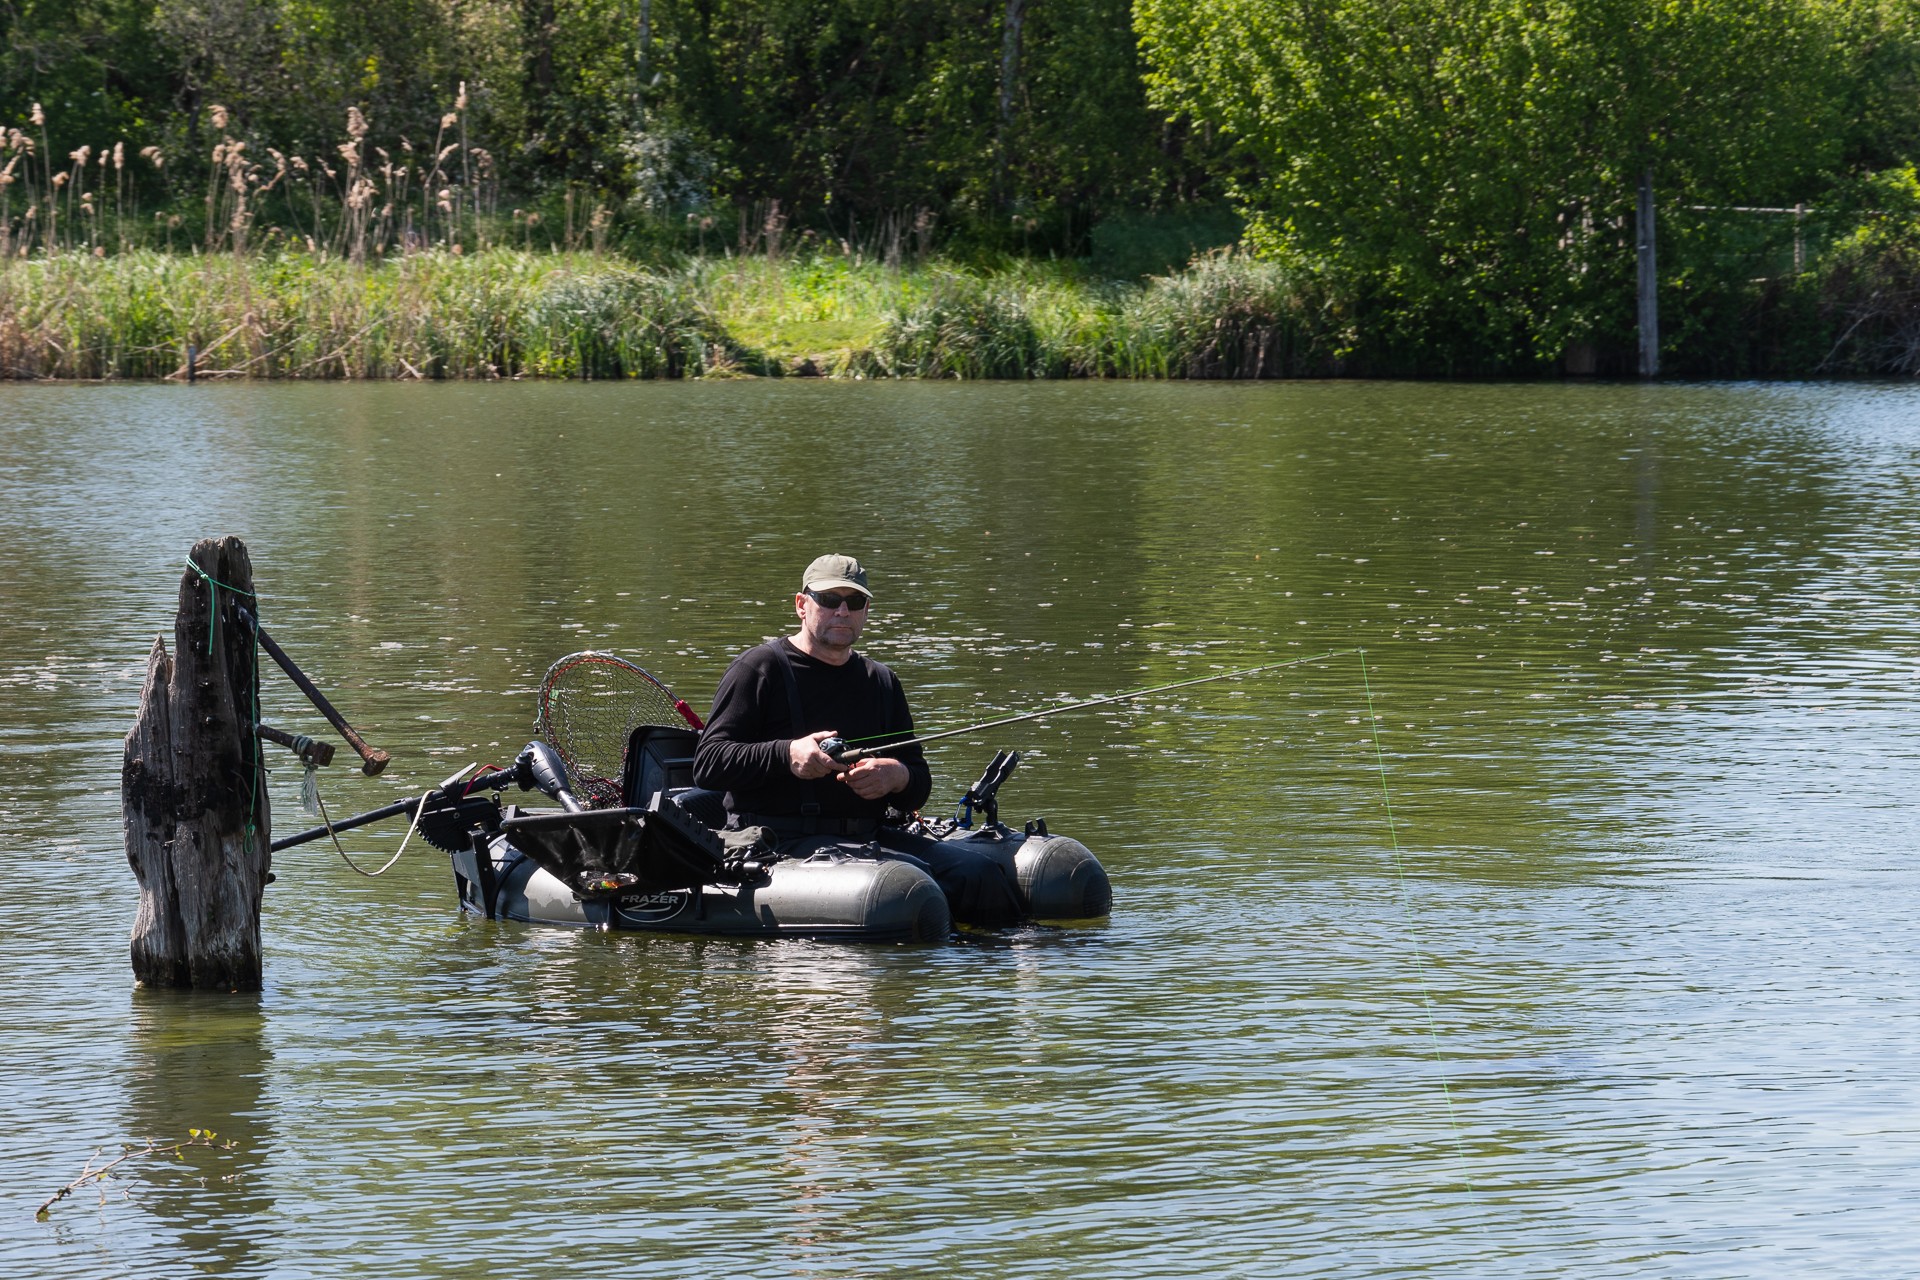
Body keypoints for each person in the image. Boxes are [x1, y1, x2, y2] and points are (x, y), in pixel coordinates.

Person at [692, 554, 1023, 925]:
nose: (842, 611)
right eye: (830, 600)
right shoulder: (757, 669)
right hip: (780, 841)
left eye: (855, 602)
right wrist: (787, 754)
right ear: (802, 605)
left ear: (867, 610)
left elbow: (918, 783)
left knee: (978, 872)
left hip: (869, 835)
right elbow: (709, 763)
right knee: (909, 884)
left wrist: (896, 776)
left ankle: (1008, 966)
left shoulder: (881, 681)